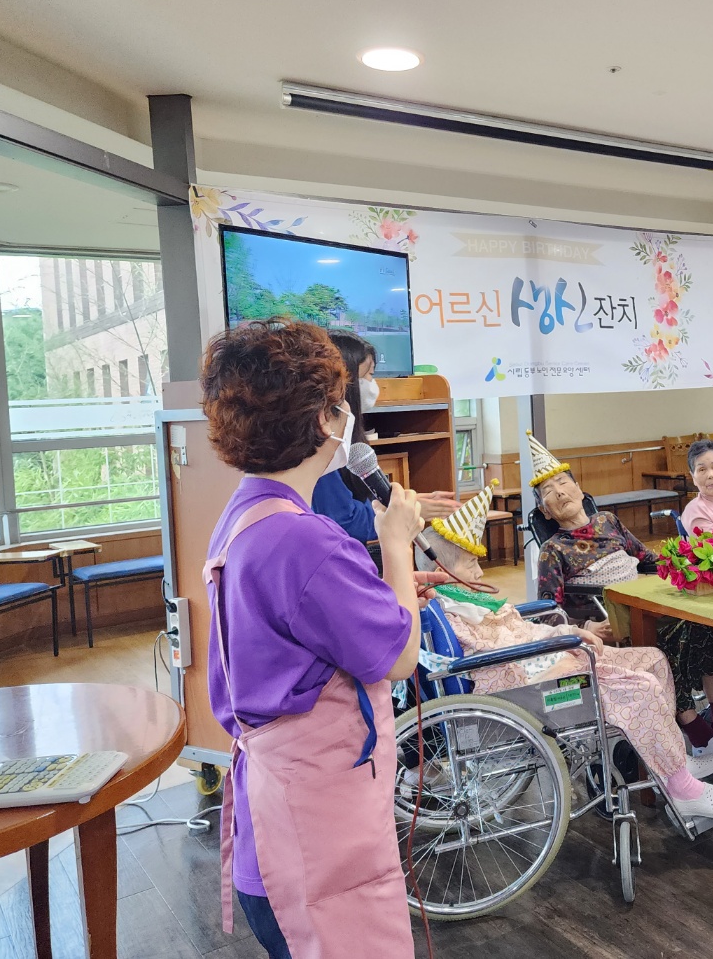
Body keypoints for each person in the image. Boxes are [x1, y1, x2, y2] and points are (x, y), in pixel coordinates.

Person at [200, 319, 424, 959]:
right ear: (327, 420)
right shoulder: (306, 540)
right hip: (317, 843)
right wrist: (397, 545)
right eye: (341, 399)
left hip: (271, 827)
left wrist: (381, 586)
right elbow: (400, 656)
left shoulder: (246, 512)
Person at [419, 482, 713, 821]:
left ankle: (670, 760)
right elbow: (500, 660)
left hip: (548, 655)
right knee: (641, 687)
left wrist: (567, 632)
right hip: (534, 683)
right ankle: (682, 788)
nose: (479, 571)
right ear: (441, 574)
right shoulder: (460, 615)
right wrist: (563, 645)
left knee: (653, 660)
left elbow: (525, 631)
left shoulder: (473, 604)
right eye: (471, 563)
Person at [529, 431, 713, 767]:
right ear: (544, 510)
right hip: (614, 623)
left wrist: (688, 564)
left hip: (644, 606)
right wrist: (586, 627)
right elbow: (546, 612)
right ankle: (700, 738)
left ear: (579, 489)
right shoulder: (552, 550)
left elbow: (646, 559)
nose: (559, 492)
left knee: (699, 624)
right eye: (548, 491)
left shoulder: (608, 521)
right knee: (672, 640)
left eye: (563, 483)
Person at [311, 330, 460, 543]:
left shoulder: (346, 436)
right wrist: (403, 513)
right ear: (344, 383)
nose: (374, 385)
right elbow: (344, 521)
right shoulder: (322, 445)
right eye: (368, 375)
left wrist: (402, 502)